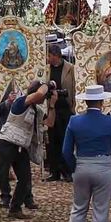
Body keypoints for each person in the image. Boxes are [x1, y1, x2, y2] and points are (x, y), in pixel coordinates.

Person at [62, 87, 111, 222]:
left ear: (86, 102)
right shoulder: (110, 122)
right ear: (102, 102)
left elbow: (66, 151)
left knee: (78, 209)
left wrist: (75, 167)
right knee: (100, 211)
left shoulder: (74, 121)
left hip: (82, 165)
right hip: (103, 167)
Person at [0, 81, 51, 217]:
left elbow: (50, 122)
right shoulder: (21, 101)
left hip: (21, 146)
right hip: (7, 142)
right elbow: (39, 93)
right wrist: (48, 85)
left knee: (25, 178)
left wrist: (52, 104)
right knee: (0, 174)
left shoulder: (37, 110)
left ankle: (15, 208)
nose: (44, 98)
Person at [43, 45, 75, 181]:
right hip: (51, 108)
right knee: (52, 141)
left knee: (65, 140)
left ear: (56, 55)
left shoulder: (70, 69)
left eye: (49, 55)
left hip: (65, 109)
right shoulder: (46, 69)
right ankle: (54, 171)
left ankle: (67, 170)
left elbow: (73, 87)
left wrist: (73, 107)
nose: (47, 58)